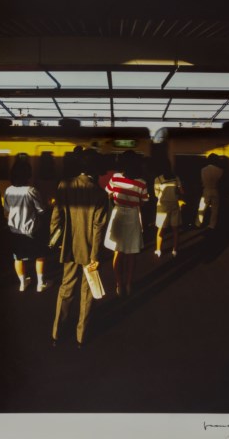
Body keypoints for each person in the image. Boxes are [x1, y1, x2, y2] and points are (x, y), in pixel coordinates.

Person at [51, 149, 108, 348]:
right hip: (90, 250)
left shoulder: (64, 185)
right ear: (95, 169)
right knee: (87, 292)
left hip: (68, 246)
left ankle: (57, 333)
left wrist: (56, 241)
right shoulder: (100, 194)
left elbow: (56, 216)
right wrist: (95, 256)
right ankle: (81, 337)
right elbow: (98, 227)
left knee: (66, 289)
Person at [104, 150, 149, 297]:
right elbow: (143, 201)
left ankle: (119, 284)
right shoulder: (142, 183)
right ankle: (129, 284)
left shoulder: (115, 178)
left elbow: (109, 193)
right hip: (133, 215)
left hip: (118, 214)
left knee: (118, 251)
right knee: (131, 252)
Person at [4, 158, 51, 292]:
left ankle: (23, 283)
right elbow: (41, 210)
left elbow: (7, 209)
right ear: (27, 174)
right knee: (39, 255)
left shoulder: (8, 190)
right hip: (32, 230)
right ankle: (40, 284)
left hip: (15, 230)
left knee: (18, 258)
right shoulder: (31, 190)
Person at [153, 161, 184, 257]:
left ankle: (158, 250)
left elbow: (156, 194)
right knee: (175, 229)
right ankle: (175, 250)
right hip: (174, 204)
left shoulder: (158, 179)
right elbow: (181, 191)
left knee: (161, 229)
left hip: (162, 206)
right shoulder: (176, 178)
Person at [200, 153, 223, 230]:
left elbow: (202, 180)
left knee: (202, 207)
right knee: (215, 209)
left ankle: (199, 222)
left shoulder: (203, 169)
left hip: (206, 189)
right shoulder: (220, 170)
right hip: (216, 190)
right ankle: (212, 225)